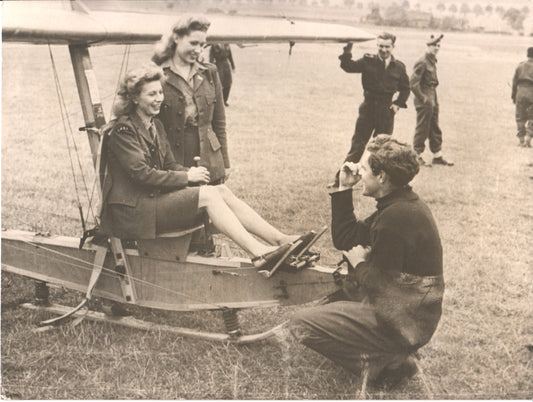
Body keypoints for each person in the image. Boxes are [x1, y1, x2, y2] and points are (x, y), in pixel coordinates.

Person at [100, 64, 304, 269]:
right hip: (133, 212)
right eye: (151, 94)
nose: (159, 98)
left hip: (151, 201)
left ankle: (279, 239)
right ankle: (258, 252)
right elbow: (142, 174)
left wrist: (189, 172)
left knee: (220, 190)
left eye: (160, 92)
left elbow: (170, 164)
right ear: (135, 98)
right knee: (207, 196)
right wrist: (187, 178)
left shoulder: (156, 125)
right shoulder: (123, 130)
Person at [291, 135, 444, 387]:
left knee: (302, 324)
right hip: (409, 312)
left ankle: (388, 365)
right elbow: (346, 238)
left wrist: (360, 264)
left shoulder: (396, 217)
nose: (358, 172)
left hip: (404, 319)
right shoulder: (397, 204)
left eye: (363, 169)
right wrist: (344, 188)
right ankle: (390, 352)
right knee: (327, 307)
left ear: (381, 177)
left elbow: (382, 286)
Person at [152, 15, 229, 185]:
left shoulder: (210, 72)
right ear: (176, 38)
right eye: (193, 43)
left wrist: (224, 162)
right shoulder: (157, 74)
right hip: (174, 158)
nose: (199, 50)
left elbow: (219, 123)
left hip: (210, 158)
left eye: (202, 45)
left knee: (213, 205)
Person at [338, 32, 410, 165]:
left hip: (386, 113)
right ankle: (342, 180)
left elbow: (406, 88)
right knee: (357, 146)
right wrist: (348, 49)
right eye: (381, 46)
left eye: (387, 47)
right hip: (368, 110)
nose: (384, 50)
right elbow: (348, 67)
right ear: (377, 45)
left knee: (382, 150)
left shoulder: (399, 67)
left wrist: (397, 104)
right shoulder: (368, 61)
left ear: (393, 46)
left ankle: (376, 183)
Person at [411, 34, 453, 166]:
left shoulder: (432, 60)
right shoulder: (422, 61)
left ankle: (437, 155)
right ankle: (416, 155)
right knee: (423, 126)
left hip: (432, 93)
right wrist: (423, 98)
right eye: (434, 45)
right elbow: (413, 83)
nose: (436, 48)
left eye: (438, 45)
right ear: (428, 46)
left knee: (434, 125)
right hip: (424, 94)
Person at [512, 47, 533, 148]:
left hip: (520, 92)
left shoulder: (520, 66)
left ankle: (521, 141)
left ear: (527, 54)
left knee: (520, 117)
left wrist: (514, 96)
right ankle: (528, 137)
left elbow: (514, 83)